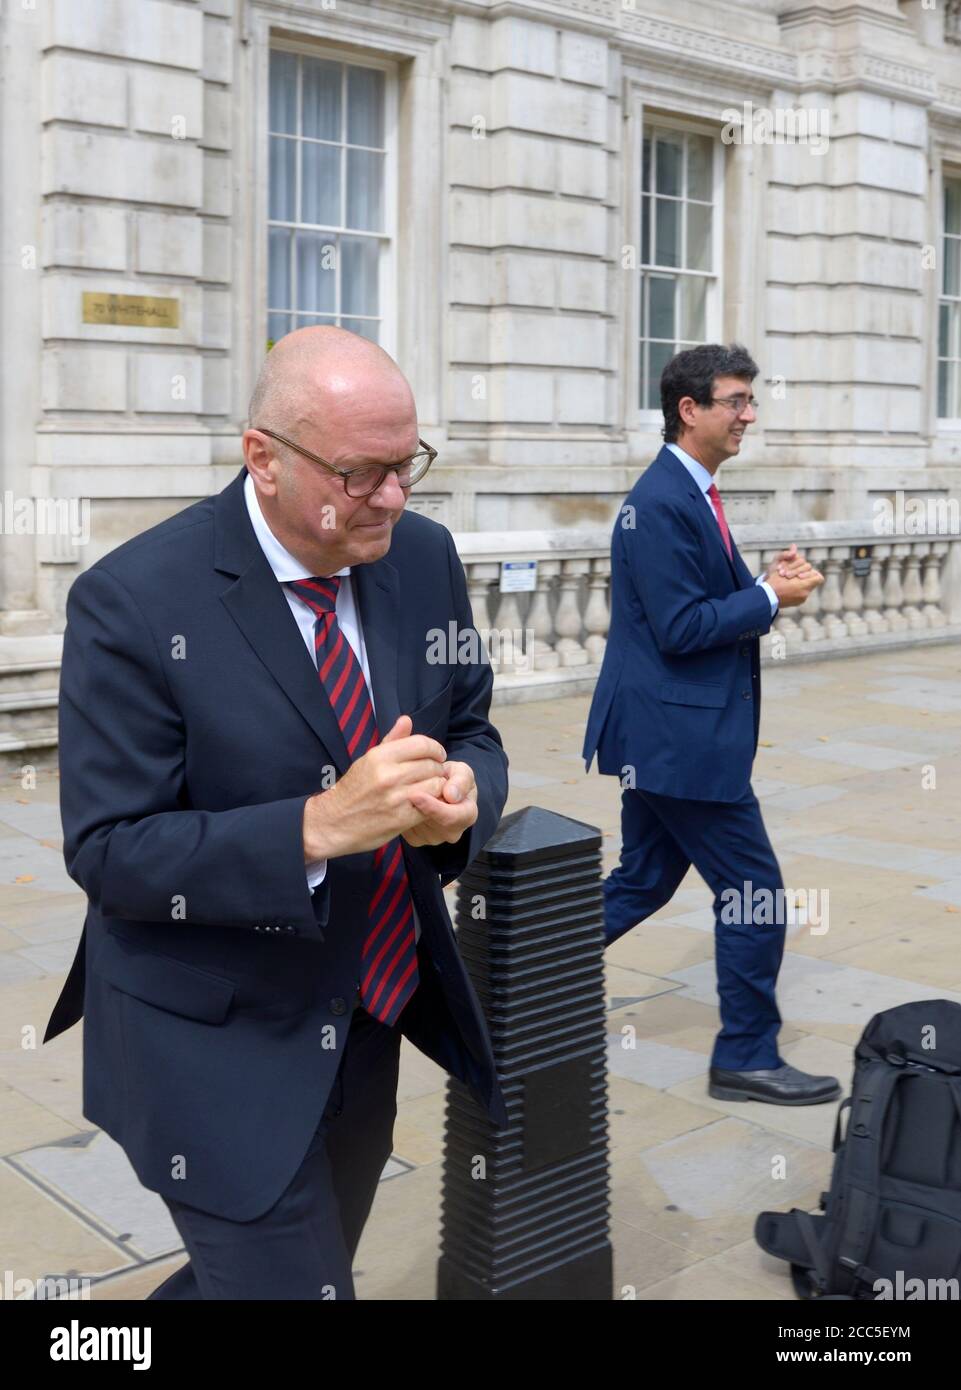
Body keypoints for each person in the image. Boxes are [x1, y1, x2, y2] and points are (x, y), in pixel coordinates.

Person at [42, 326, 509, 1299]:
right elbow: (110, 850)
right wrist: (317, 826)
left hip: (368, 1010)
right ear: (263, 457)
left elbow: (474, 728)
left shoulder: (422, 557)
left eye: (407, 463)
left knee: (295, 1270)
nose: (393, 496)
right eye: (361, 471)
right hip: (209, 1039)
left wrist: (462, 799)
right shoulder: (132, 600)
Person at [583, 343, 841, 1106]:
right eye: (735, 401)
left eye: (750, 401)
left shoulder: (688, 491)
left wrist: (764, 584)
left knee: (643, 879)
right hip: (678, 742)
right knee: (753, 892)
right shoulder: (662, 500)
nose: (749, 415)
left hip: (665, 736)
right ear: (687, 408)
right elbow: (679, 625)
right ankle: (745, 1055)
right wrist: (767, 598)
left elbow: (694, 601)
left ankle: (513, 980)